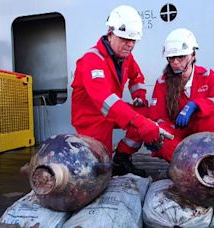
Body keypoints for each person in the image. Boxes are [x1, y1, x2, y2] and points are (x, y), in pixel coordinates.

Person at [71, 5, 170, 177]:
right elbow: (106, 101)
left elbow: (136, 77)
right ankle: (106, 162)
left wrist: (139, 97)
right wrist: (140, 122)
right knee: (100, 169)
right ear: (110, 34)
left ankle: (122, 158)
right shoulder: (91, 60)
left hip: (113, 110)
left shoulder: (125, 57)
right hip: (92, 118)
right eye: (125, 39)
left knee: (145, 113)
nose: (130, 45)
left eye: (133, 41)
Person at [149, 28, 214, 162]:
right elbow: (157, 117)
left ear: (193, 55)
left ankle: (211, 160)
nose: (176, 62)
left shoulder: (208, 77)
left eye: (181, 57)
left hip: (202, 132)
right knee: (160, 134)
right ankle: (191, 166)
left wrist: (196, 105)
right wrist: (168, 129)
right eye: (171, 58)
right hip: (177, 134)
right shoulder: (162, 82)